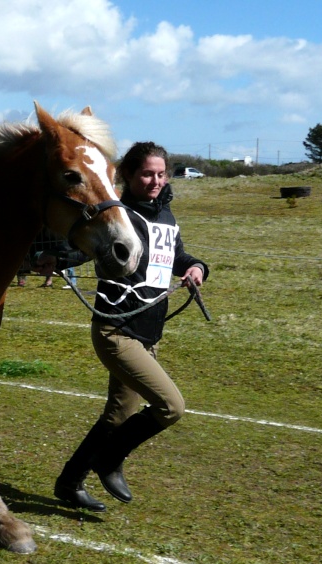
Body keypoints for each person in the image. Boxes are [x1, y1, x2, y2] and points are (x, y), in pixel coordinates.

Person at [51, 141, 209, 512]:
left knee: (119, 415)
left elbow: (177, 255)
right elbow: (83, 249)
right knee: (170, 406)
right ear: (127, 176)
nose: (155, 181)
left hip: (149, 331)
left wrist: (196, 266)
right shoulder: (118, 215)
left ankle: (69, 482)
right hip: (117, 330)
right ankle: (108, 461)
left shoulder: (165, 216)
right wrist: (55, 258)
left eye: (160, 173)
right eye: (146, 174)